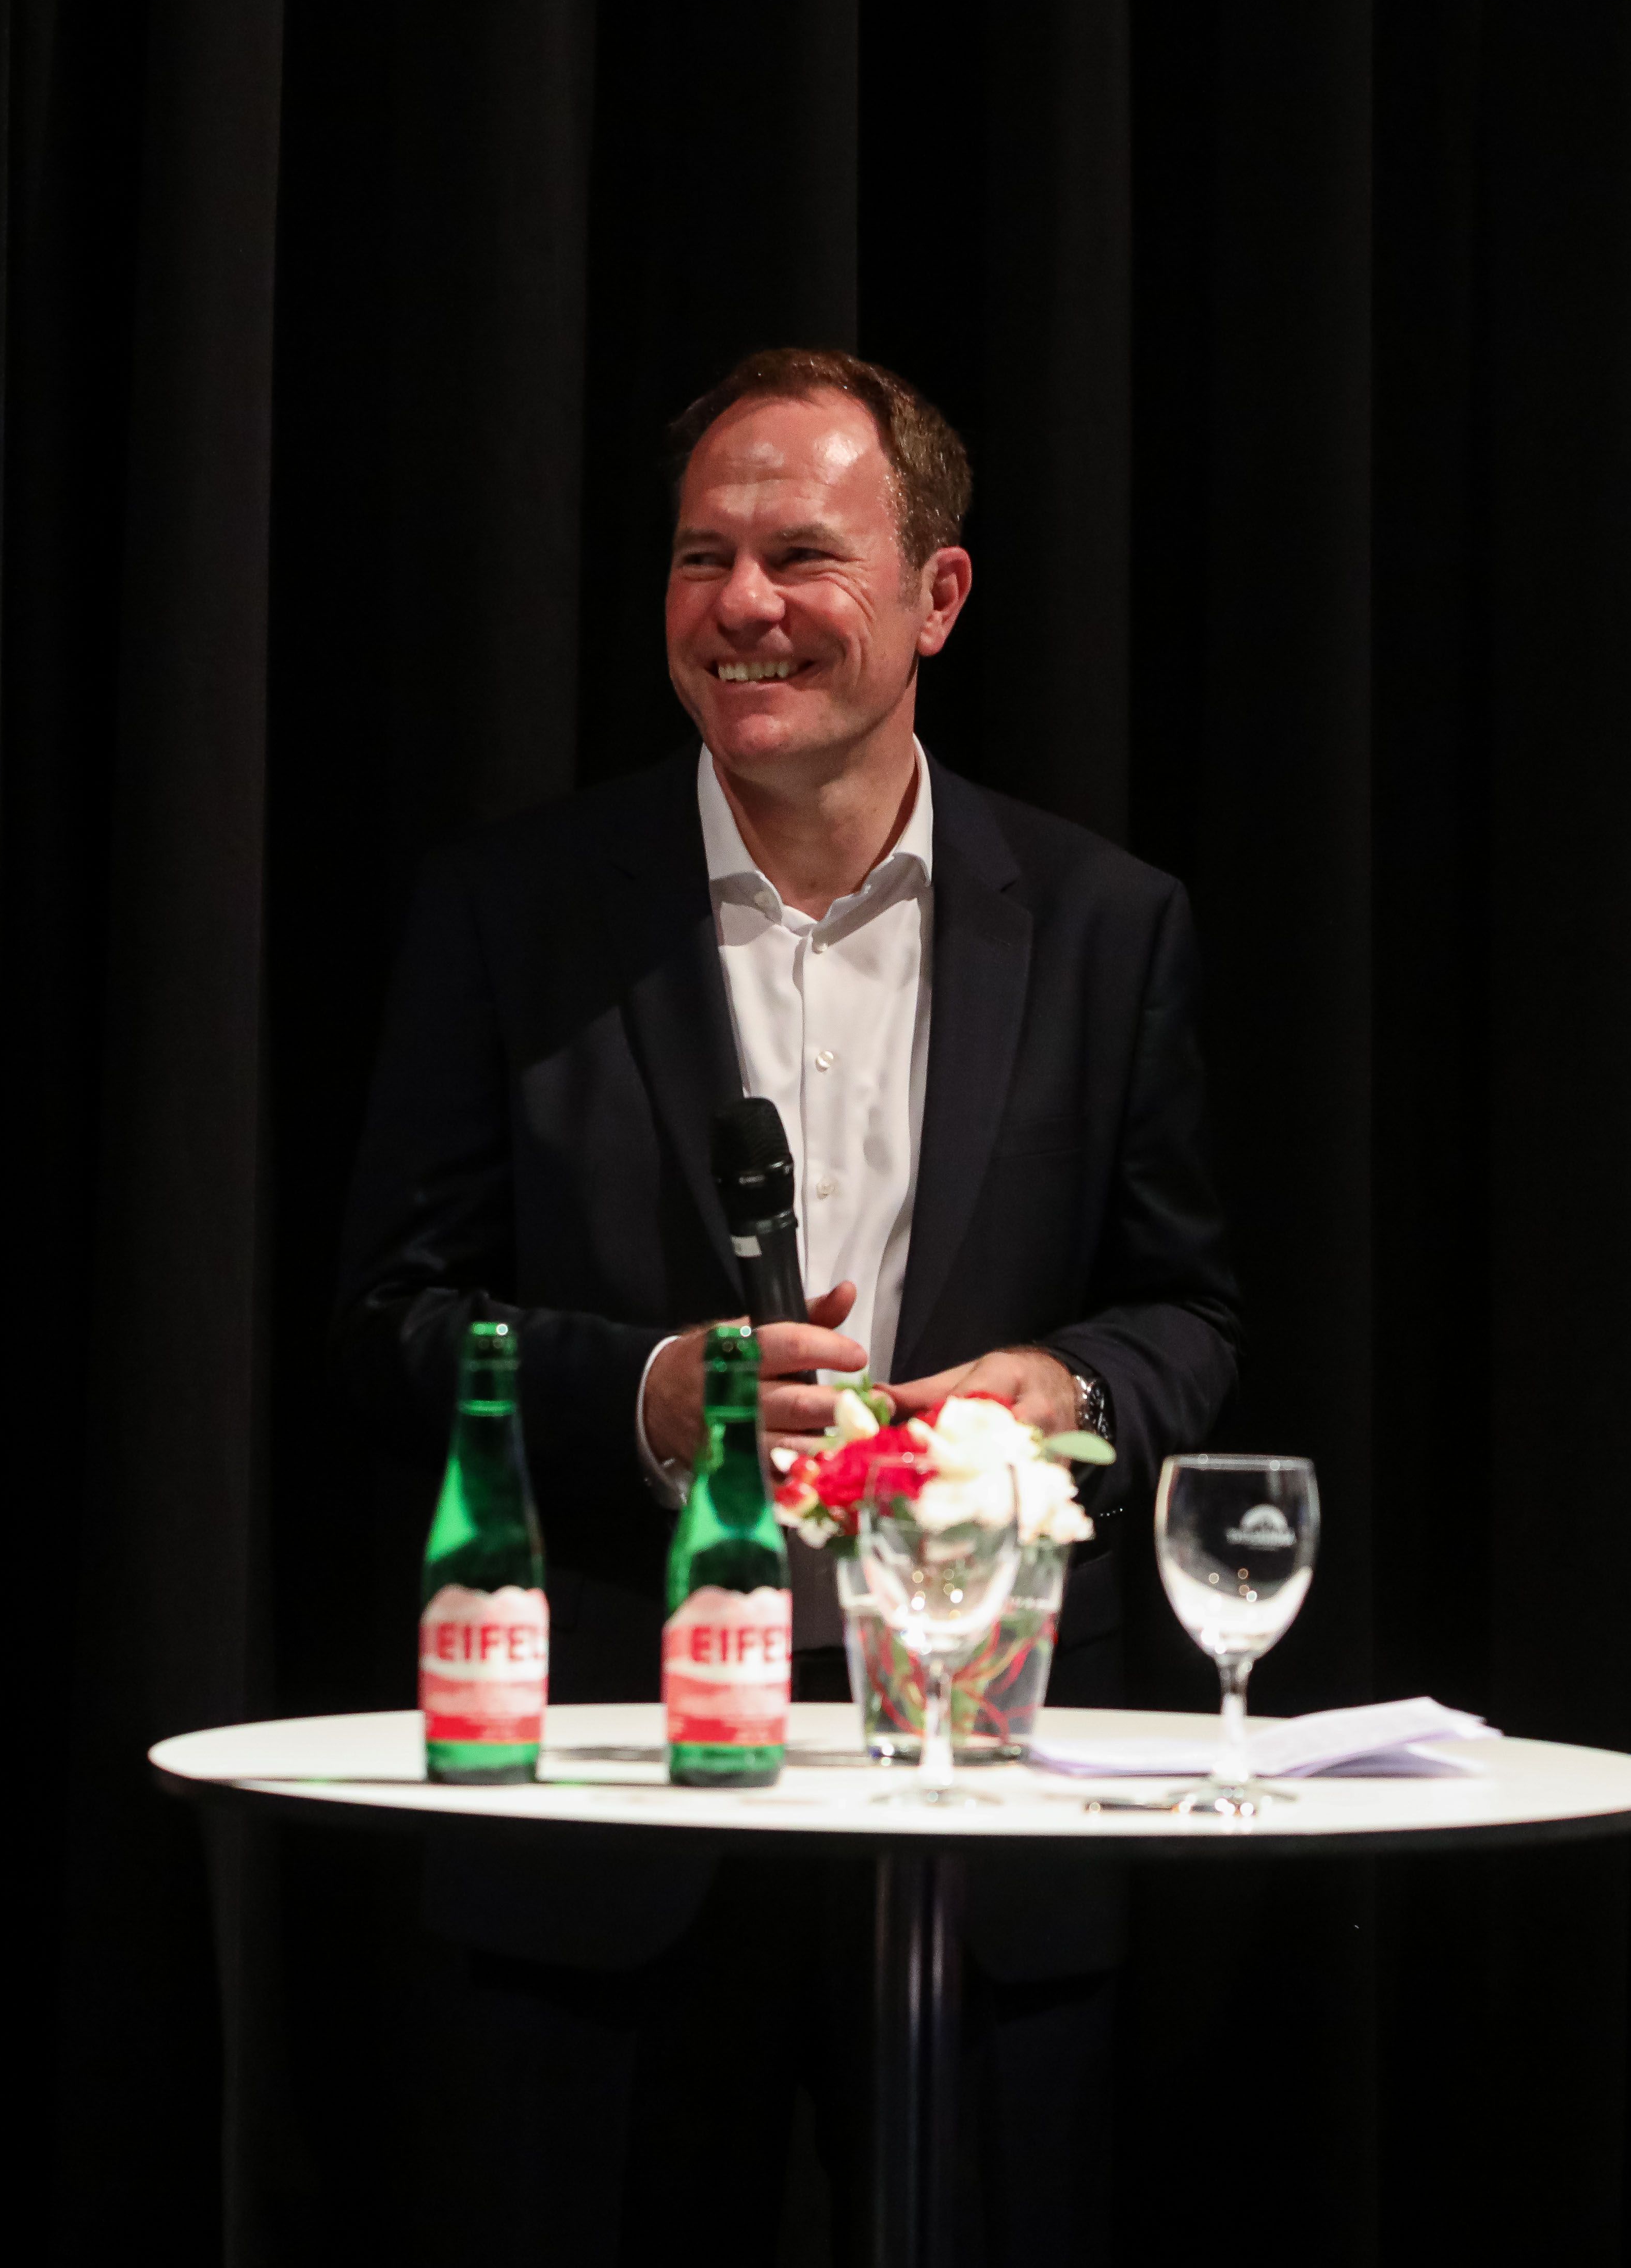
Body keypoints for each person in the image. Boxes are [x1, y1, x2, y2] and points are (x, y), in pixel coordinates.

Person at [335, 346, 1241, 2259]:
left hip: (979, 1790)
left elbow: (1190, 1310)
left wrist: (1056, 1390)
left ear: (939, 597)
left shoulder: (1101, 924)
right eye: (700, 557)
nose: (742, 605)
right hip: (617, 1790)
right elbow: (397, 1313)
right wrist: (655, 1394)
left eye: (801, 555)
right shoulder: (519, 910)